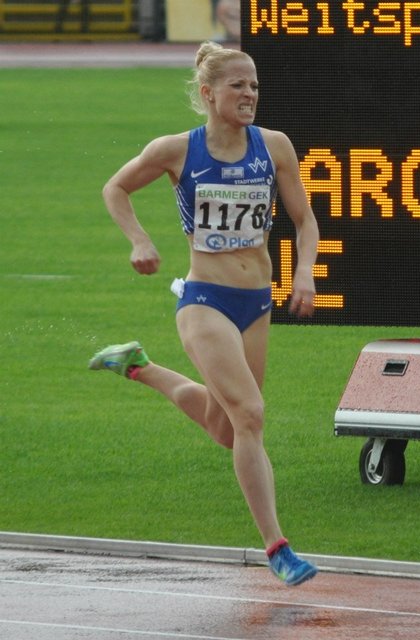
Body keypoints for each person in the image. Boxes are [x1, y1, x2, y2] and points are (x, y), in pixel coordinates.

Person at [89, 41, 320, 587]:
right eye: (238, 85)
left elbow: (305, 220)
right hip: (204, 301)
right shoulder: (176, 150)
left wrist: (305, 271)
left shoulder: (275, 146)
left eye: (255, 85)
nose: (250, 94)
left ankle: (138, 366)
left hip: (256, 303)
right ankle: (278, 547)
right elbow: (116, 187)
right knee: (252, 416)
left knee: (226, 427)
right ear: (208, 93)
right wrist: (139, 240)